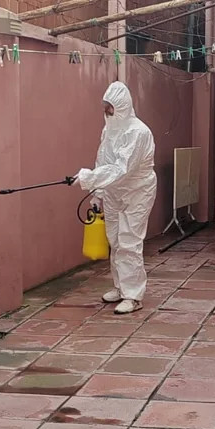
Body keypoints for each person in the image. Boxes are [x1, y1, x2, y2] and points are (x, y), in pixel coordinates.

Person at [75, 81, 157, 314]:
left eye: (111, 106)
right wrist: (97, 192)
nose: (107, 111)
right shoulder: (109, 129)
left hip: (137, 191)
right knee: (115, 240)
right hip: (113, 191)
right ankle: (121, 287)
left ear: (122, 105)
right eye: (106, 106)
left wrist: (88, 178)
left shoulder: (138, 132)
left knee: (130, 241)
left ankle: (133, 296)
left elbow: (122, 169)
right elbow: (103, 161)